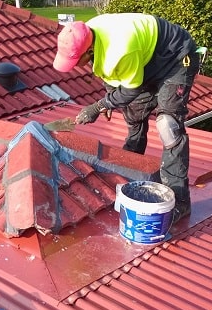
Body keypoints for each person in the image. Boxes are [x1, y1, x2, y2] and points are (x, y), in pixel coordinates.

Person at [52, 13, 201, 224]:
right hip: (145, 60)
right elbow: (110, 75)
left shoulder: (120, 49)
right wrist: (111, 98)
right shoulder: (83, 32)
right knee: (133, 114)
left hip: (175, 57)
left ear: (90, 50)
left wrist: (99, 106)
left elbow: (131, 89)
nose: (75, 65)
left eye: (77, 60)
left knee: (169, 126)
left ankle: (180, 201)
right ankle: (131, 167)